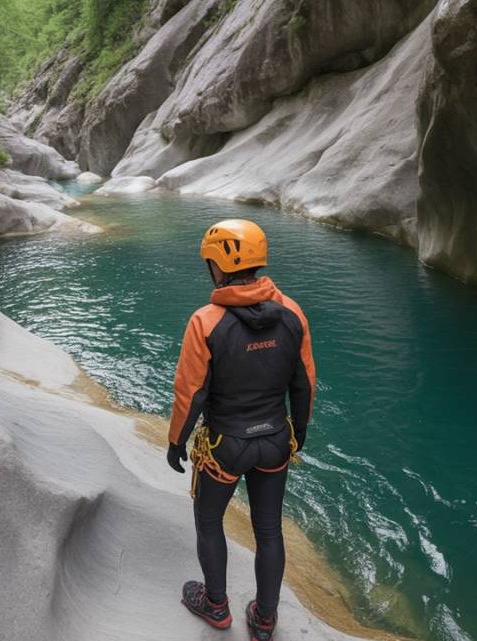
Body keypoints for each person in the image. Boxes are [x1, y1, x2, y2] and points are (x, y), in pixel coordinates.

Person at [166, 219, 316, 641]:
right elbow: (304, 381)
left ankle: (216, 606)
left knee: (209, 520)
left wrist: (177, 442)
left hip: (224, 447)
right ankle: (265, 619)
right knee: (268, 529)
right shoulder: (293, 312)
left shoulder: (206, 321)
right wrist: (298, 430)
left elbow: (190, 393)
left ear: (218, 264)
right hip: (275, 442)